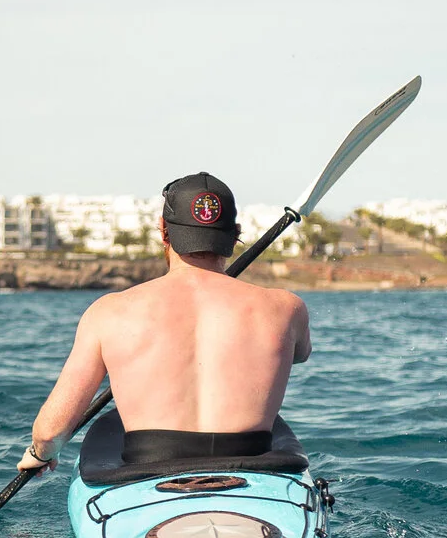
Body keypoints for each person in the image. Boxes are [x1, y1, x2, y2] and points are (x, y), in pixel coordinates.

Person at [17, 173, 308, 474]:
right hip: (255, 469)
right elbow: (299, 354)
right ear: (235, 235)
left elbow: (50, 433)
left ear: (163, 231)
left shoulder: (108, 312)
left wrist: (40, 453)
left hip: (148, 472)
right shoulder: (286, 308)